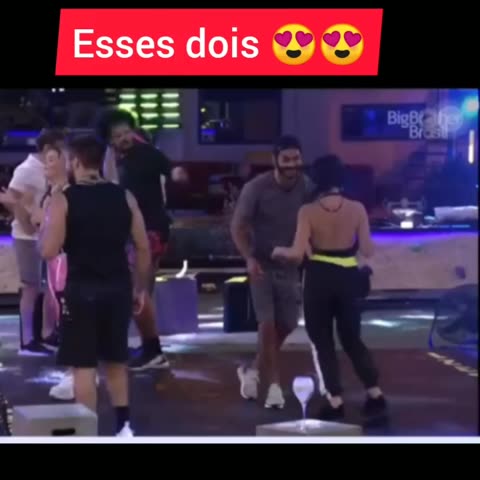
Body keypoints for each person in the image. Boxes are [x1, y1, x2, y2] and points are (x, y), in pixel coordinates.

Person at [39, 135, 150, 436]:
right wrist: (140, 288)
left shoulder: (64, 198)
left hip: (81, 291)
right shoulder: (124, 196)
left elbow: (48, 250)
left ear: (75, 161)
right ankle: (123, 428)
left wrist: (49, 215)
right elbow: (142, 246)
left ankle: (87, 433)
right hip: (119, 288)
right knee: (116, 361)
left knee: (83, 366)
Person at [272, 154, 387, 420]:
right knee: (352, 338)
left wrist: (277, 251)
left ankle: (335, 401)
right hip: (348, 277)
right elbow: (368, 250)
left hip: (318, 278)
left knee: (322, 341)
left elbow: (296, 253)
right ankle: (375, 394)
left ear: (316, 179)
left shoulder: (307, 211)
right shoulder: (357, 208)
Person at [230, 135, 313, 409]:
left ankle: (252, 368)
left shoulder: (307, 187)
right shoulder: (256, 188)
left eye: (296, 158)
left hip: (290, 265)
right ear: (275, 160)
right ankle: (274, 388)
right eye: (286, 159)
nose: (292, 164)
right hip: (262, 264)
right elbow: (238, 226)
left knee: (287, 324)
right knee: (266, 324)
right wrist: (249, 258)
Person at [98, 110, 175, 371]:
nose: (124, 138)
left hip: (151, 231)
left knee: (138, 291)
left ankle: (153, 351)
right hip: (135, 231)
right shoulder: (117, 158)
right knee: (140, 291)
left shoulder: (146, 153)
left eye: (126, 132)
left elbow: (170, 167)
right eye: (117, 135)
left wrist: (178, 174)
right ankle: (149, 347)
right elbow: (111, 185)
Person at [3, 128, 66, 355]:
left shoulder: (52, 169)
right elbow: (13, 200)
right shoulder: (26, 170)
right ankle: (28, 339)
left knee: (49, 287)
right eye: (60, 146)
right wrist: (29, 226)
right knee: (30, 286)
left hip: (47, 233)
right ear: (48, 148)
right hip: (27, 236)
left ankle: (47, 333)